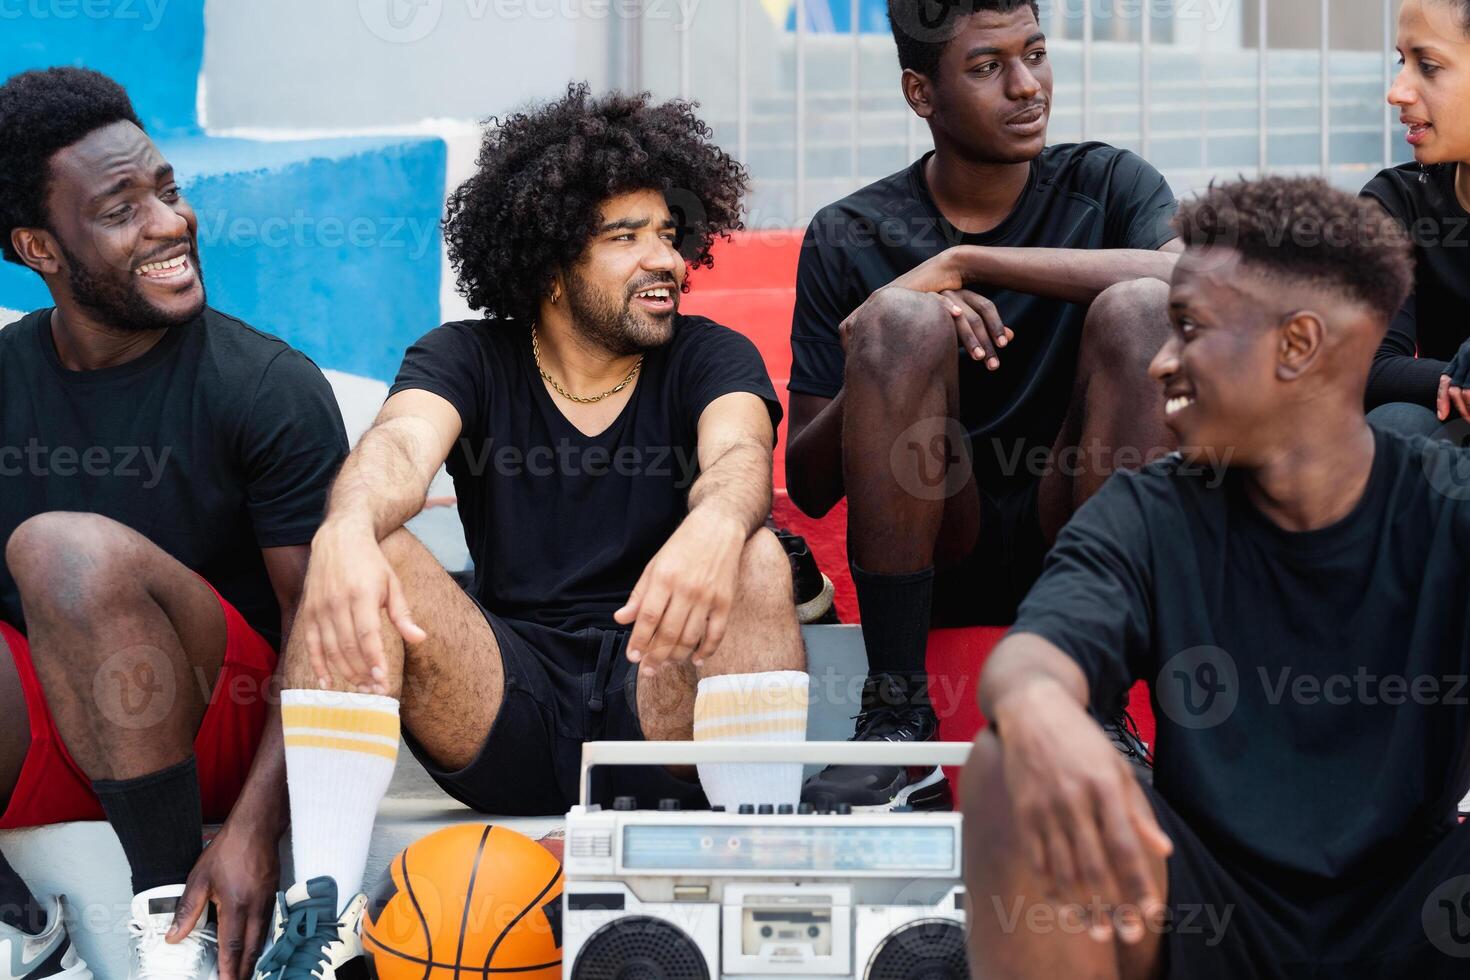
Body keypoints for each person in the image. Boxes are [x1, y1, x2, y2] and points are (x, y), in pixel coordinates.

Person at [251, 85, 808, 980]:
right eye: (625, 237)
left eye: (668, 232)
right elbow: (398, 447)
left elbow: (739, 451)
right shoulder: (464, 356)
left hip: (654, 693)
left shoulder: (709, 354)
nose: (662, 257)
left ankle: (768, 896)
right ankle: (320, 912)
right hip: (505, 704)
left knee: (749, 549)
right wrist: (345, 530)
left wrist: (716, 522)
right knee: (364, 542)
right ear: (550, 264)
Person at [959, 175, 1470, 977]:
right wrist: (1037, 708)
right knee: (1007, 764)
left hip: (1422, 916)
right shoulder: (1151, 511)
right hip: (1202, 908)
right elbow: (1037, 653)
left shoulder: (1449, 510)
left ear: (1297, 345)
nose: (1161, 364)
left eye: (1189, 330)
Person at [788, 0, 1181, 810]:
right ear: (920, 92)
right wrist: (897, 314)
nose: (1026, 86)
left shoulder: (1106, 184)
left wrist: (965, 262)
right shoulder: (849, 231)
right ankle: (896, 722)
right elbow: (809, 482)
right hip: (939, 534)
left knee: (1142, 305)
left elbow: (1191, 283)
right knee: (901, 319)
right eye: (985, 67)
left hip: (1072, 523)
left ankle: (1095, 702)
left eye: (1035, 55)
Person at [0, 68, 349, 980]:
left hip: (217, 725)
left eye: (168, 190)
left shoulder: (264, 386)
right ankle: (18, 921)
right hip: (53, 726)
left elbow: (327, 634)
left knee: (63, 551)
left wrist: (252, 832)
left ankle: (172, 921)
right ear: (39, 247)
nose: (169, 224)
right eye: (121, 210)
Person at [1364, 0, 1470, 436]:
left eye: (1427, 65)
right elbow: (1370, 368)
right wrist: (1458, 378)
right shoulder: (1396, 201)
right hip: (1449, 430)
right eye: (1401, 61)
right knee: (1396, 426)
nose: (1396, 92)